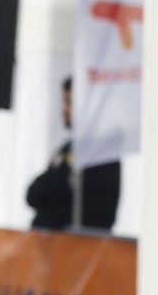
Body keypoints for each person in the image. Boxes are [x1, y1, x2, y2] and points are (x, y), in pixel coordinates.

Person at [27, 78, 120, 230]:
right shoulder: (68, 148)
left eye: (69, 102)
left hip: (78, 240)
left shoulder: (101, 151)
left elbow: (50, 189)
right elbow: (35, 193)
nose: (64, 109)